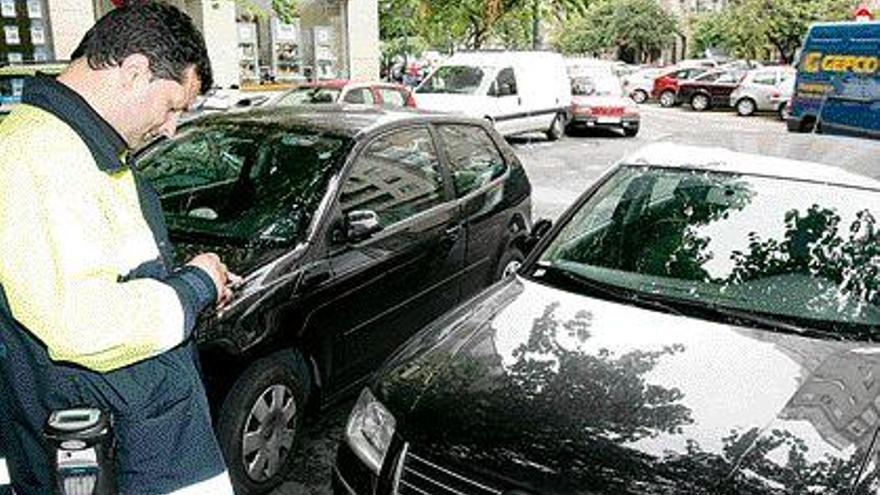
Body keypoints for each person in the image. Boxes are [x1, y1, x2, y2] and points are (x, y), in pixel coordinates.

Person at [0, 3, 239, 494]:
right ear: (134, 72)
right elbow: (80, 321)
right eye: (173, 106)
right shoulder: (35, 156)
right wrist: (195, 286)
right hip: (120, 459)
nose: (172, 127)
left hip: (141, 444)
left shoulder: (81, 148)